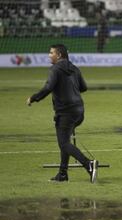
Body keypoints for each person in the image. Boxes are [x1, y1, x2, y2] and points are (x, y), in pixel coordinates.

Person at [26, 44, 98, 183]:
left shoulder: (55, 69)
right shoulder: (75, 68)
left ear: (59, 55)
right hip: (79, 111)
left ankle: (88, 164)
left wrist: (34, 98)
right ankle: (62, 174)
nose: (49, 55)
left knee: (64, 143)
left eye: (51, 52)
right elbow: (84, 87)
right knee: (65, 142)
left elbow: (48, 87)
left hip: (66, 112)